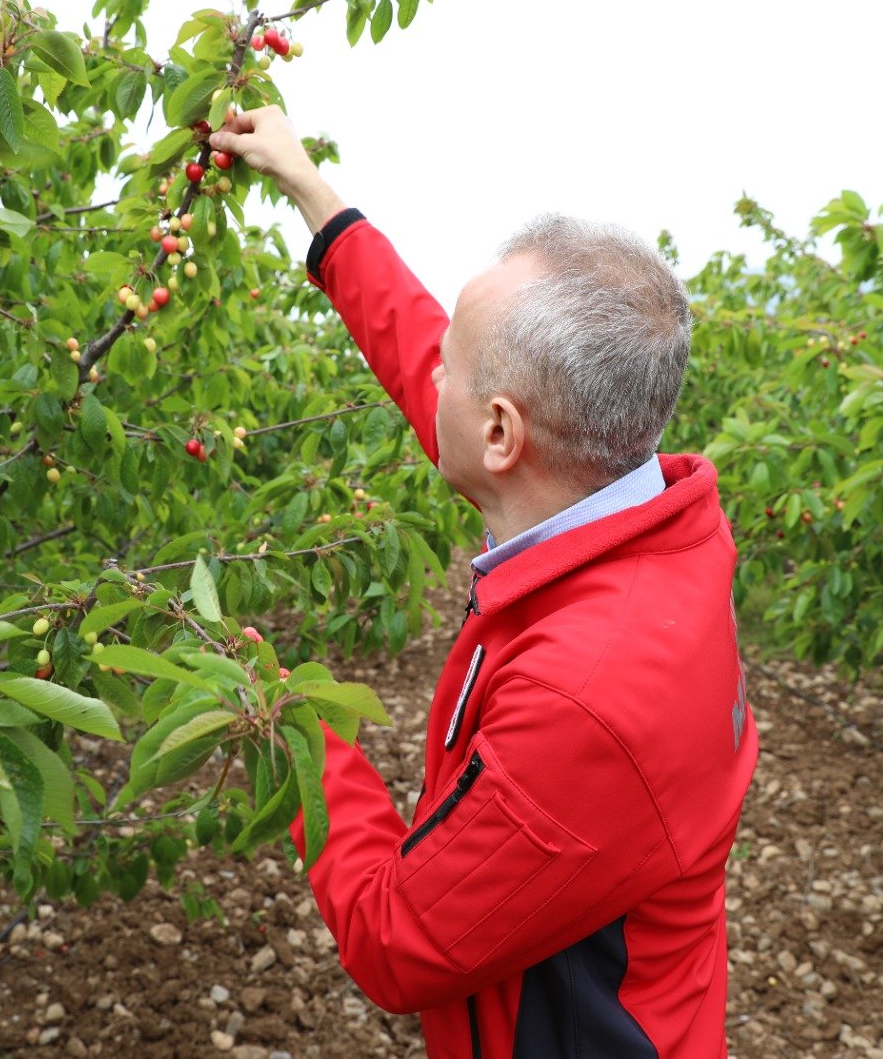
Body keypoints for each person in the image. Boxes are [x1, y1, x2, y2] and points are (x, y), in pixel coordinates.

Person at [209, 107, 758, 1059]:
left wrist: (295, 719)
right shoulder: (632, 512)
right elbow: (422, 345)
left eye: (449, 376)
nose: (431, 377)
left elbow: (395, 944)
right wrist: (313, 193)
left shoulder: (584, 699)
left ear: (501, 433)